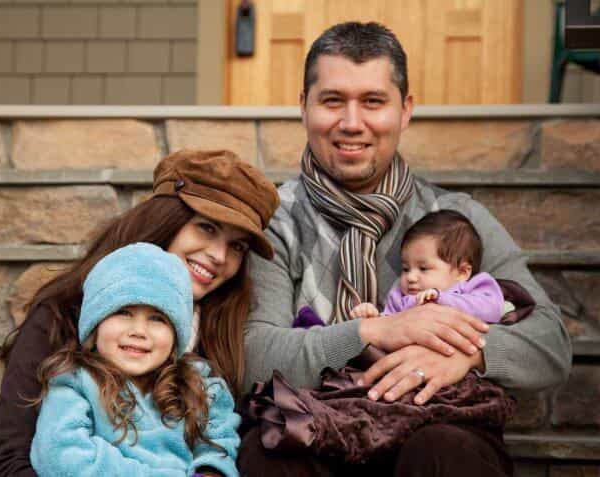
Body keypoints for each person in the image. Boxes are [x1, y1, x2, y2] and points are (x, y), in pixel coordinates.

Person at [239, 21, 572, 476]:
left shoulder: (457, 219)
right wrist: (372, 333)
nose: (352, 123)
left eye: (373, 102)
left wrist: (467, 352)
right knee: (266, 452)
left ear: (405, 110)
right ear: (304, 107)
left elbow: (550, 342)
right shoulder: (275, 223)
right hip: (315, 424)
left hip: (436, 420)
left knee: (445, 451)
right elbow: (254, 355)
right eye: (333, 100)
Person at [0, 149, 279, 477]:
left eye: (237, 246)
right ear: (165, 219)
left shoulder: (216, 339)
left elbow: (218, 441)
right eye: (207, 228)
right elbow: (10, 457)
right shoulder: (62, 320)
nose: (218, 255)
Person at [29, 243, 239, 477]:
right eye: (123, 312)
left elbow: (220, 444)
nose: (139, 330)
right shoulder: (74, 382)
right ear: (95, 325)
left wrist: (210, 471)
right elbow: (61, 457)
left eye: (157, 318)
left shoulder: (201, 383)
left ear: (176, 334)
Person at [352, 210, 505, 324]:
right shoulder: (401, 298)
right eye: (406, 269)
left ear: (462, 272)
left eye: (423, 268)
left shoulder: (473, 289)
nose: (410, 277)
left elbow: (492, 311)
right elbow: (388, 326)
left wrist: (442, 298)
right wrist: (372, 318)